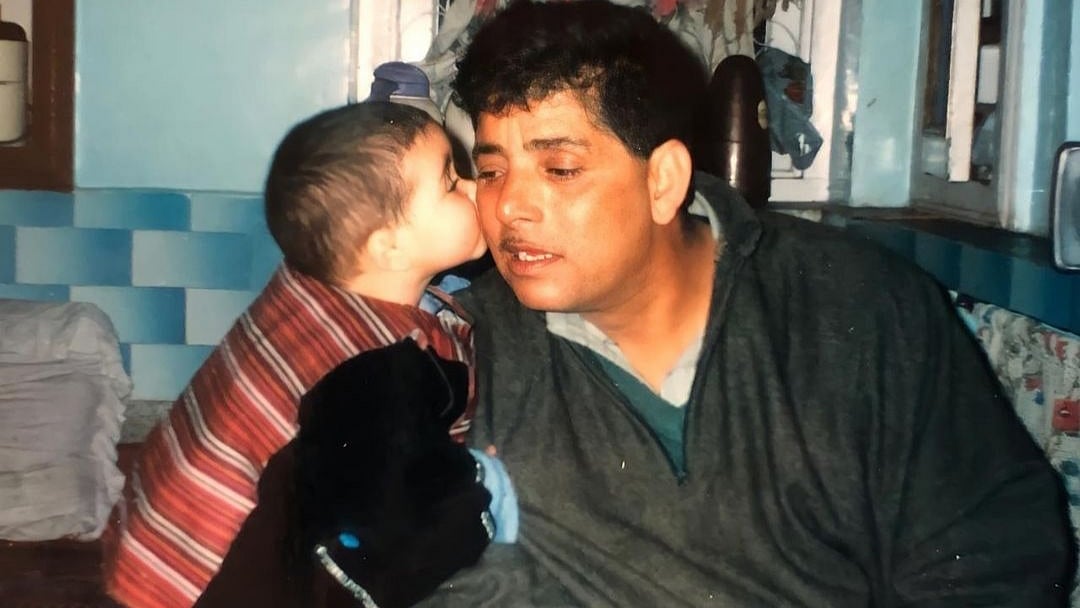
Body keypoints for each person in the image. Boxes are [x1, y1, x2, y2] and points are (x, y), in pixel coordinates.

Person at [419, 0, 1078, 605]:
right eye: (493, 170)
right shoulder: (464, 348)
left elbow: (991, 560)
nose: (510, 206)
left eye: (560, 169)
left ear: (663, 180)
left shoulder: (861, 307)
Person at [103, 100, 507, 607]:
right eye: (450, 182)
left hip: (151, 549)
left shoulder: (314, 286)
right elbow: (403, 520)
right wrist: (481, 487)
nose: (472, 188)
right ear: (389, 248)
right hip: (214, 582)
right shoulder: (380, 370)